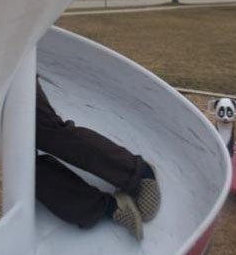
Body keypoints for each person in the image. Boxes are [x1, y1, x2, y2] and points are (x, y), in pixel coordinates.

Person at [35, 76, 160, 240]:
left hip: (11, 72)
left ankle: (137, 172)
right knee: (19, 163)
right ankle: (104, 206)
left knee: (45, 130)